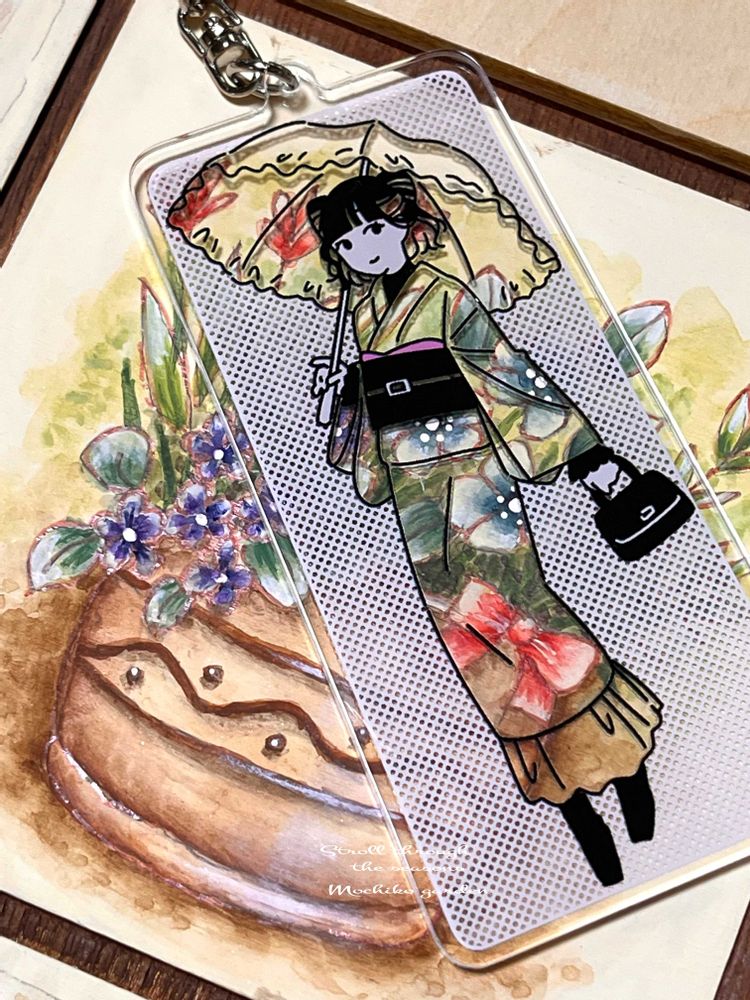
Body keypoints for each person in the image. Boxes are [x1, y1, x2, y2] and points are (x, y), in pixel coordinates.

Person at [306, 169, 661, 885]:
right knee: (466, 636)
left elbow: (506, 376)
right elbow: (359, 452)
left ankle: (625, 769)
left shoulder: (444, 295)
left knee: (525, 610)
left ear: (404, 225)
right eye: (347, 243)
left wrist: (586, 458)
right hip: (414, 495)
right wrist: (344, 398)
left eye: (374, 229)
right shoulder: (362, 319)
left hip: (471, 477)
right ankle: (570, 805)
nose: (364, 249)